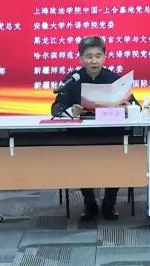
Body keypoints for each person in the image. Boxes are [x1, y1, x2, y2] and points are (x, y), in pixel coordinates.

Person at [51, 35, 137, 221]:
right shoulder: (73, 80)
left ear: (104, 57)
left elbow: (135, 106)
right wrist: (72, 111)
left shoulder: (114, 79)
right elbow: (56, 108)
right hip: (83, 135)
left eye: (98, 56)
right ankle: (89, 203)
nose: (94, 61)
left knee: (116, 160)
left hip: (111, 134)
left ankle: (109, 204)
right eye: (89, 56)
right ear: (81, 58)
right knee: (81, 161)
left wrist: (126, 107)